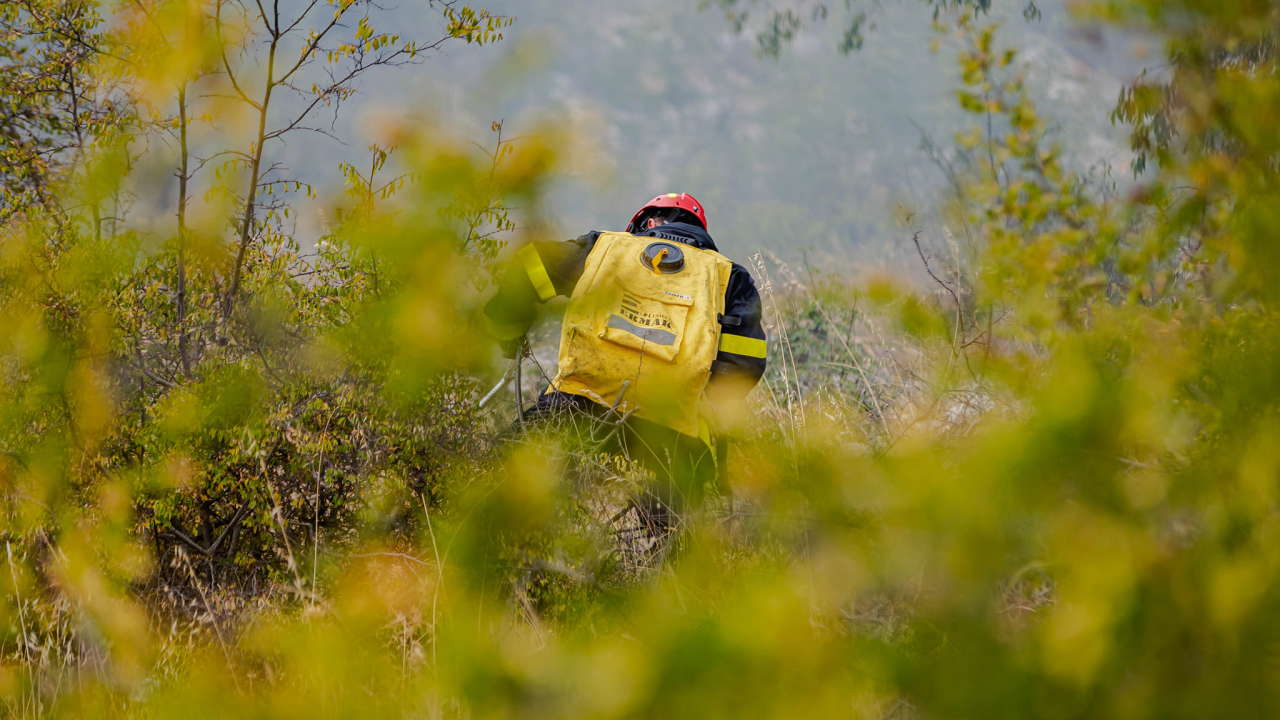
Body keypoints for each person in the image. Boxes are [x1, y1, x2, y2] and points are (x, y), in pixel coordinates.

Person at [483, 193, 767, 531]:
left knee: (495, 486)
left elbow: (525, 270)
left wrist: (509, 333)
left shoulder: (603, 248)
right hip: (671, 433)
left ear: (646, 223)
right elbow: (744, 365)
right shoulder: (727, 277)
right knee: (677, 539)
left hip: (575, 406)